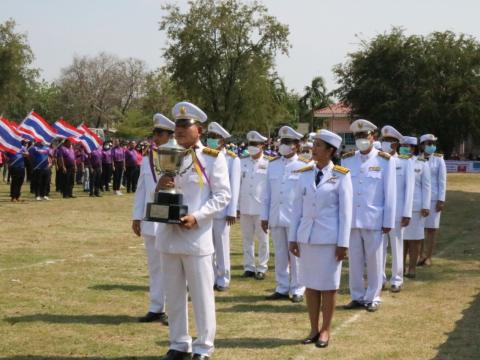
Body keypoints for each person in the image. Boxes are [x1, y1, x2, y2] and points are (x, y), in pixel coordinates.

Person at [156, 102, 230, 360]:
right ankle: (178, 343)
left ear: (198, 129)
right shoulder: (167, 153)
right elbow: (160, 193)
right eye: (177, 126)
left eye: (185, 126)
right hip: (168, 235)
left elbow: (223, 196)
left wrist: (197, 217)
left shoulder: (212, 157)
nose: (179, 130)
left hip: (195, 235)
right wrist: (161, 184)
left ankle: (204, 346)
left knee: (201, 296)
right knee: (173, 295)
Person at [289, 129, 352, 348]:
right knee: (311, 285)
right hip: (307, 237)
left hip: (329, 239)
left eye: (318, 145)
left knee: (329, 287)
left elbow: (346, 213)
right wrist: (293, 237)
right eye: (313, 144)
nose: (313, 148)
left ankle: (326, 329)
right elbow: (296, 207)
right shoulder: (305, 173)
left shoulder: (342, 175)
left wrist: (343, 243)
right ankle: (314, 328)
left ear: (330, 150)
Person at [341, 119, 396, 312]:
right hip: (353, 219)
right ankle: (356, 296)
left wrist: (388, 220)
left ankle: (373, 296)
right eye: (358, 136)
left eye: (365, 136)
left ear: (373, 136)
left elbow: (390, 192)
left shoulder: (385, 160)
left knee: (374, 260)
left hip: (374, 219)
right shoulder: (347, 159)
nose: (361, 140)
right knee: (354, 261)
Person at [132, 114, 175, 324]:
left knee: (173, 267)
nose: (155, 137)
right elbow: (141, 188)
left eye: (160, 133)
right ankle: (157, 307)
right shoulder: (148, 157)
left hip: (171, 219)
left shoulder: (182, 156)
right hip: (151, 219)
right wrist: (136, 217)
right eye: (154, 133)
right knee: (154, 266)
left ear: (170, 135)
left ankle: (173, 309)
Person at [261, 125, 311, 303]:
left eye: (288, 142)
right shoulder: (272, 164)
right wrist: (264, 216)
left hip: (295, 218)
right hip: (276, 215)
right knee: (280, 254)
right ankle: (282, 287)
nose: (283, 145)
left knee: (295, 255)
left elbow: (308, 195)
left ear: (296, 145)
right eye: (282, 142)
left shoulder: (305, 165)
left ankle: (298, 288)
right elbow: (266, 193)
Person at [206, 122, 241, 292]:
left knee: (221, 246)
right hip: (205, 209)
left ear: (222, 140)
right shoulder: (205, 156)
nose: (211, 140)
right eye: (210, 137)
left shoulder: (232, 159)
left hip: (222, 210)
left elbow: (234, 186)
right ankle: (210, 277)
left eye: (215, 138)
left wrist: (232, 210)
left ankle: (223, 278)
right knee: (207, 247)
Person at [380, 126, 414, 292]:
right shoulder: (378, 161)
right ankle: (379, 278)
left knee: (396, 245)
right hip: (380, 212)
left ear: (395, 144)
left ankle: (397, 278)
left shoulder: (405, 162)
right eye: (383, 140)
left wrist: (407, 212)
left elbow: (409, 190)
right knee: (379, 247)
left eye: (388, 141)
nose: (385, 144)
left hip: (398, 212)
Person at [238, 131, 270, 280]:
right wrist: (237, 207)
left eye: (255, 144)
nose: (251, 147)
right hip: (245, 206)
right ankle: (249, 267)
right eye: (250, 144)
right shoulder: (242, 161)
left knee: (263, 239)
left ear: (262, 145)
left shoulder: (269, 163)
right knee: (247, 239)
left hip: (261, 208)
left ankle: (262, 267)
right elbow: (238, 185)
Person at [400, 136, 431, 278]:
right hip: (400, 207)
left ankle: (412, 268)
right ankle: (400, 269)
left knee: (415, 239)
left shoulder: (421, 163)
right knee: (401, 240)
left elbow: (426, 186)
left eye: (408, 146)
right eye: (403, 145)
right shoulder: (396, 161)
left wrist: (426, 205)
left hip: (416, 207)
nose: (405, 148)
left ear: (413, 148)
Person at [418, 134, 446, 267]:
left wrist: (441, 199)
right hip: (420, 199)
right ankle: (420, 255)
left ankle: (428, 256)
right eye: (429, 143)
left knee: (431, 230)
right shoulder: (416, 159)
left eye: (433, 143)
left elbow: (442, 181)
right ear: (423, 145)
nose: (432, 146)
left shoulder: (439, 160)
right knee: (419, 229)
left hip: (434, 199)